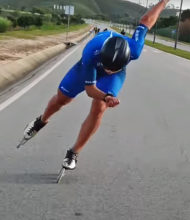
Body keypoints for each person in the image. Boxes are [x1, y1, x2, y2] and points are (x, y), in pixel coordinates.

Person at [22, 0, 170, 170]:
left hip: (111, 65)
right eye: (107, 67)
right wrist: (107, 96)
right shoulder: (91, 53)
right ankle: (41, 121)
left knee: (99, 108)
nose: (108, 71)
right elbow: (90, 90)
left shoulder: (134, 50)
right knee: (62, 99)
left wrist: (164, 1)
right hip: (90, 66)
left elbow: (146, 21)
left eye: (112, 69)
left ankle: (74, 152)